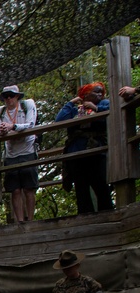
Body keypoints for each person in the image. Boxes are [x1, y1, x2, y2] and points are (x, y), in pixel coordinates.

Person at [55, 82, 114, 215]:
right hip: (76, 152)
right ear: (86, 94)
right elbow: (59, 121)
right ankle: (85, 216)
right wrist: (71, 103)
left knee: (101, 184)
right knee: (81, 187)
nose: (100, 94)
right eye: (96, 92)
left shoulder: (104, 104)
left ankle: (107, 214)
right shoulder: (75, 110)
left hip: (97, 152)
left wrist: (96, 109)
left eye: (101, 92)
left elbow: (113, 114)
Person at [0, 85, 38, 223]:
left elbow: (31, 124)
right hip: (11, 154)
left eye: (11, 95)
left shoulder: (27, 105)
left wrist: (13, 127)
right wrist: (2, 131)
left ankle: (30, 219)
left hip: (28, 150)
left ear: (17, 96)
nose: (8, 99)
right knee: (15, 190)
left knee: (29, 188)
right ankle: (19, 220)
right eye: (5, 96)